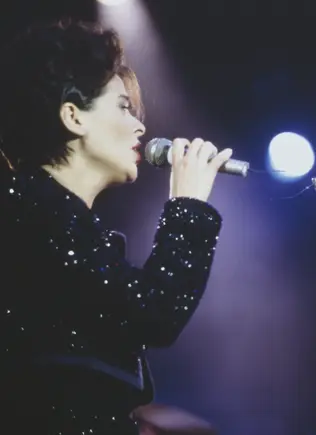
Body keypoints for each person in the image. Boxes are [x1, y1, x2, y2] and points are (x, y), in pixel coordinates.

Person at [0, 19, 232, 434]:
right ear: (73, 116)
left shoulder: (54, 216)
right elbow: (154, 313)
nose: (141, 126)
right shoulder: (32, 213)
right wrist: (188, 205)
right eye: (123, 107)